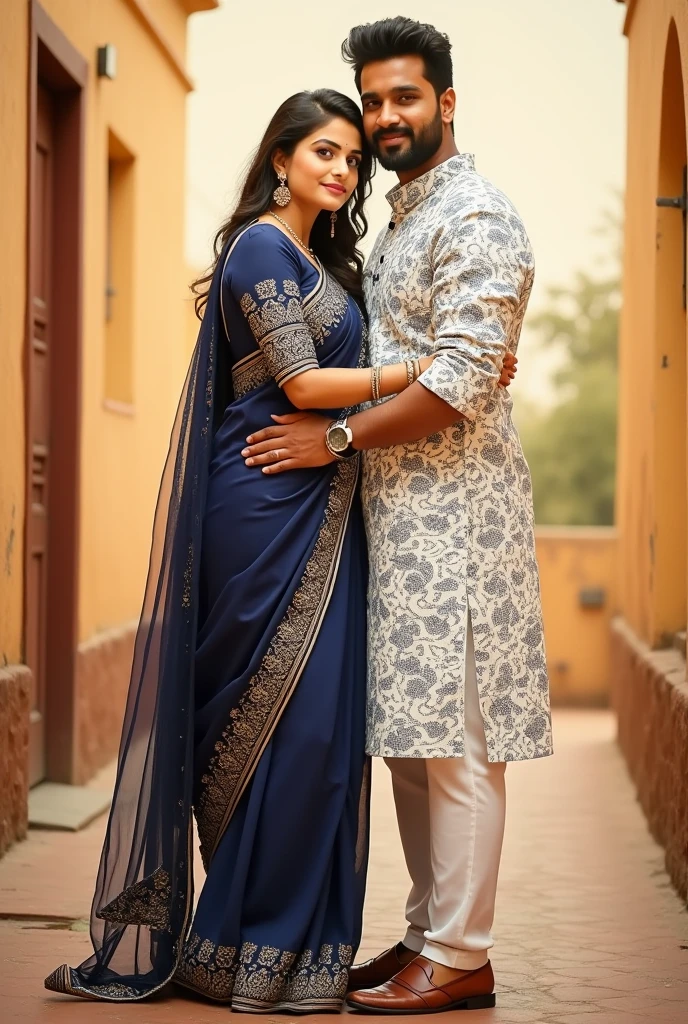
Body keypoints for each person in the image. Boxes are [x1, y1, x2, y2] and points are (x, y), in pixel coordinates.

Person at [240, 18, 553, 1015]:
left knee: (457, 745)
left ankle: (462, 952)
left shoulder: (477, 217)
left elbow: (461, 382)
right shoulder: (403, 220)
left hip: (456, 522)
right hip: (399, 525)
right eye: (372, 101)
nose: (383, 118)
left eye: (403, 98)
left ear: (446, 102)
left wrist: (331, 441)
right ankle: (428, 935)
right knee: (417, 742)